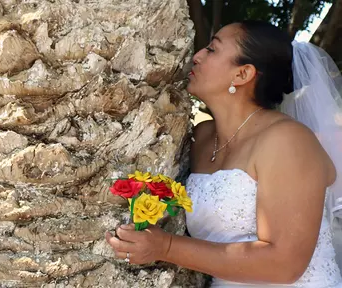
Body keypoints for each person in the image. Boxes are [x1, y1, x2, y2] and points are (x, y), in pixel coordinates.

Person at [106, 20, 342, 287]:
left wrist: (166, 247)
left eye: (212, 49)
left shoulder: (288, 140)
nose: (196, 56)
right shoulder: (202, 136)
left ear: (242, 74)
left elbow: (285, 263)